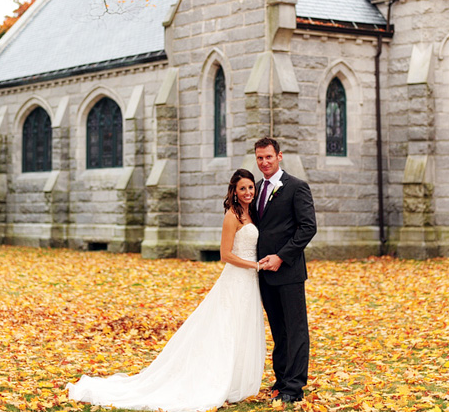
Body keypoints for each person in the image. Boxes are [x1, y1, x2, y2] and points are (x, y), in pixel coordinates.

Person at [67, 169, 265, 412]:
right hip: (236, 278)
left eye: (251, 187)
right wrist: (254, 265)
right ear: (234, 191)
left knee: (243, 327)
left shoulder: (252, 213)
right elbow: (225, 255)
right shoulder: (232, 215)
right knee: (225, 329)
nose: (247, 192)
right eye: (242, 188)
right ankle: (215, 379)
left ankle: (237, 381)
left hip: (250, 281)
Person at [253, 137, 317, 403]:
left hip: (288, 271)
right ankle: (281, 380)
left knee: (295, 330)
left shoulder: (296, 187)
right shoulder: (254, 189)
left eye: (268, 157)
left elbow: (308, 227)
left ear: (279, 156)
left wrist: (281, 256)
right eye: (259, 158)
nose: (264, 162)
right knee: (278, 331)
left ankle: (294, 386)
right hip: (263, 273)